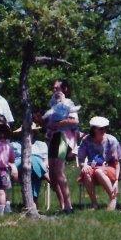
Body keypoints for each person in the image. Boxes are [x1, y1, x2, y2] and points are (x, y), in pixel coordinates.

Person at [44, 79, 79, 214]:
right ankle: (62, 205)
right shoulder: (52, 104)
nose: (54, 91)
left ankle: (69, 207)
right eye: (53, 89)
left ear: (64, 90)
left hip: (64, 138)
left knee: (59, 171)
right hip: (53, 138)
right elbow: (47, 123)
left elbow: (75, 121)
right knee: (52, 175)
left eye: (57, 88)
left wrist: (59, 123)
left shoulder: (69, 103)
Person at [77, 116, 121, 211]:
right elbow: (80, 159)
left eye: (105, 128)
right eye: (101, 128)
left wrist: (117, 180)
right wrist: (84, 165)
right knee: (87, 173)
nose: (104, 130)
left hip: (110, 169)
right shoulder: (86, 140)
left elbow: (117, 163)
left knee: (98, 171)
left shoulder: (111, 141)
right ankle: (94, 204)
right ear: (94, 129)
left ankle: (113, 198)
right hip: (94, 168)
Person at [11, 125, 49, 205]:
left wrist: (43, 165)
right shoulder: (14, 145)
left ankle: (31, 204)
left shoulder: (41, 144)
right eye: (25, 132)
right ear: (21, 133)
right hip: (20, 166)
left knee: (35, 172)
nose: (28, 133)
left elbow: (46, 161)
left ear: (34, 133)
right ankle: (46, 176)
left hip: (37, 169)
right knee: (31, 158)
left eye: (30, 131)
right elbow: (10, 160)